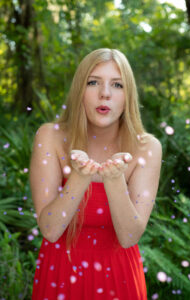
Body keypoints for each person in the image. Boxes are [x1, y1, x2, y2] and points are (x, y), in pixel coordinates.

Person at [30, 48, 162, 300]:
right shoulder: (50, 136)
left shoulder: (147, 147)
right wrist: (80, 177)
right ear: (80, 90)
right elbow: (50, 229)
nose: (105, 93)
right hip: (60, 277)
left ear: (128, 95)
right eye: (93, 82)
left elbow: (129, 236)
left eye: (117, 85)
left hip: (119, 279)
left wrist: (114, 180)